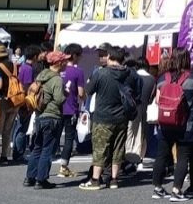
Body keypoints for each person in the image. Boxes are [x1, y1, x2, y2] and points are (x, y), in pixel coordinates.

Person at [80, 46, 137, 190]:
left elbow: (88, 90)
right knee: (118, 149)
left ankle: (95, 180)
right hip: (122, 117)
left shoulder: (101, 73)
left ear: (110, 57)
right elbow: (136, 93)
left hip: (102, 117)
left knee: (100, 148)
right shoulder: (130, 74)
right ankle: (114, 180)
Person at [150, 48, 193, 201]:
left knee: (161, 155)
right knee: (183, 156)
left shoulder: (162, 78)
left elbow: (158, 100)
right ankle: (176, 190)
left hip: (165, 122)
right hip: (186, 124)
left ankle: (158, 188)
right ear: (187, 59)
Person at [23, 51, 67, 189]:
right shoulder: (57, 79)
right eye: (64, 60)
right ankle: (41, 180)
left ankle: (29, 177)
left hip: (39, 115)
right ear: (59, 63)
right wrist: (66, 93)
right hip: (52, 116)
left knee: (37, 148)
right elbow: (59, 99)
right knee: (47, 149)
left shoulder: (41, 75)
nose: (66, 63)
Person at [57, 44, 86, 178]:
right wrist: (85, 97)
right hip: (70, 108)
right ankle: (64, 167)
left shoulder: (58, 69)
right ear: (75, 56)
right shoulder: (78, 72)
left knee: (54, 135)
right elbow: (81, 93)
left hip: (56, 107)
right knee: (69, 138)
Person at [0, 43, 19, 164]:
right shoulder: (14, 65)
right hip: (15, 100)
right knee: (8, 131)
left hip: (2, 101)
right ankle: (4, 156)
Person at [123, 57, 154, 171]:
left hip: (132, 109)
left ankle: (128, 158)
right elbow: (151, 97)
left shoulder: (133, 77)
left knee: (129, 134)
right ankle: (140, 159)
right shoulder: (151, 79)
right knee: (142, 136)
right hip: (144, 110)